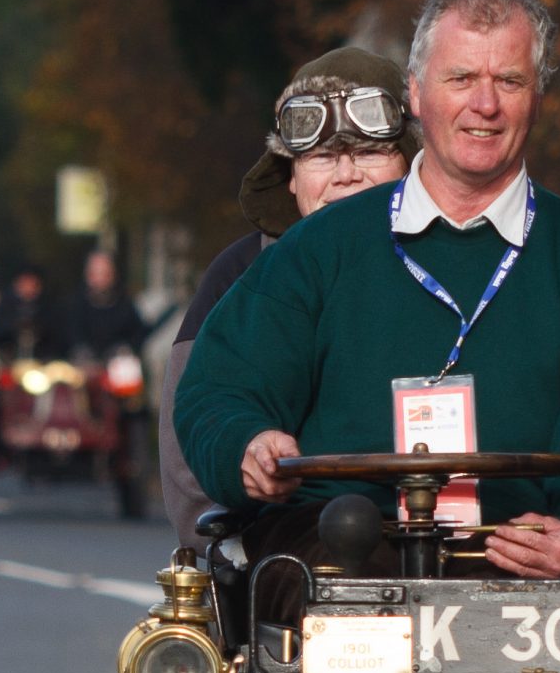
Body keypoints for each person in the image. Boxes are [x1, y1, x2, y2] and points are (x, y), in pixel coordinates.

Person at [174, 0, 560, 591]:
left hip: (517, 567)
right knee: (339, 552)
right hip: (336, 553)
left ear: (538, 97)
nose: (485, 105)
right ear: (418, 93)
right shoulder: (318, 248)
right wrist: (247, 445)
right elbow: (217, 390)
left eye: (509, 80)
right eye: (461, 79)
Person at [156, 44, 417, 543]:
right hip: (287, 552)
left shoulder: (463, 261)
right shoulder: (240, 275)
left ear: (412, 163)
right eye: (321, 157)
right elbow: (188, 459)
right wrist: (242, 554)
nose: (346, 174)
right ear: (291, 178)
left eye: (369, 151)